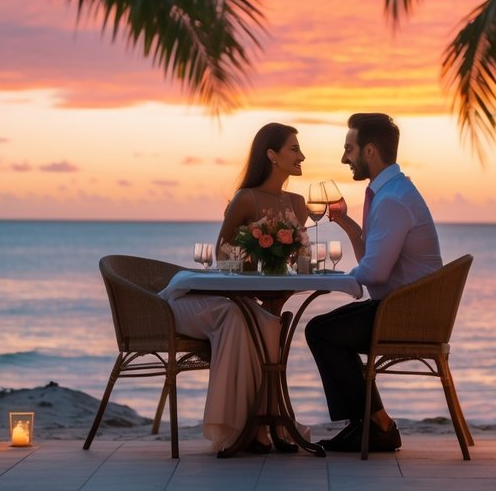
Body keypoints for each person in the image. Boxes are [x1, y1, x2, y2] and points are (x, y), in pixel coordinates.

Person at [167, 122, 310, 455]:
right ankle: (253, 427)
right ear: (271, 155)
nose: (302, 156)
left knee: (267, 324)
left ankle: (266, 424)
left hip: (258, 297)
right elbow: (223, 254)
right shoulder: (246, 199)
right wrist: (256, 254)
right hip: (231, 299)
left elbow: (298, 258)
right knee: (256, 322)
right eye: (294, 149)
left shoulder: (298, 203)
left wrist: (285, 254)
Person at [305, 112, 443, 453]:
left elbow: (375, 273)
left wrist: (341, 280)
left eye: (348, 149)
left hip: (405, 315)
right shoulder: (392, 191)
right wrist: (345, 222)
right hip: (402, 307)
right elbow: (373, 258)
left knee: (321, 332)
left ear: (369, 150)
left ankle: (376, 425)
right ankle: (371, 423)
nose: (344, 159)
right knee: (325, 329)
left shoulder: (392, 199)